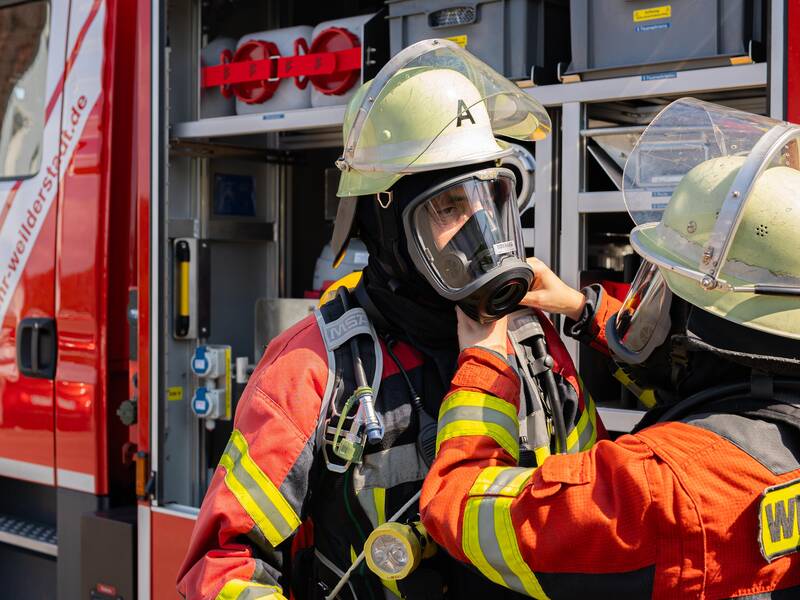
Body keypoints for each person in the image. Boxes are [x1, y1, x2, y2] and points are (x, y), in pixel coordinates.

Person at [177, 40, 605, 600]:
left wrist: (584, 311)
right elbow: (221, 567)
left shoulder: (529, 339)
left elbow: (589, 498)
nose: (480, 228)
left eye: (489, 198)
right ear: (386, 228)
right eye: (449, 207)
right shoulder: (313, 368)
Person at [420, 98, 800, 598]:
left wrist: (485, 368)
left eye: (666, 287)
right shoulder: (768, 414)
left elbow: (459, 503)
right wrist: (583, 309)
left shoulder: (653, 488)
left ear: (709, 321)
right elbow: (707, 386)